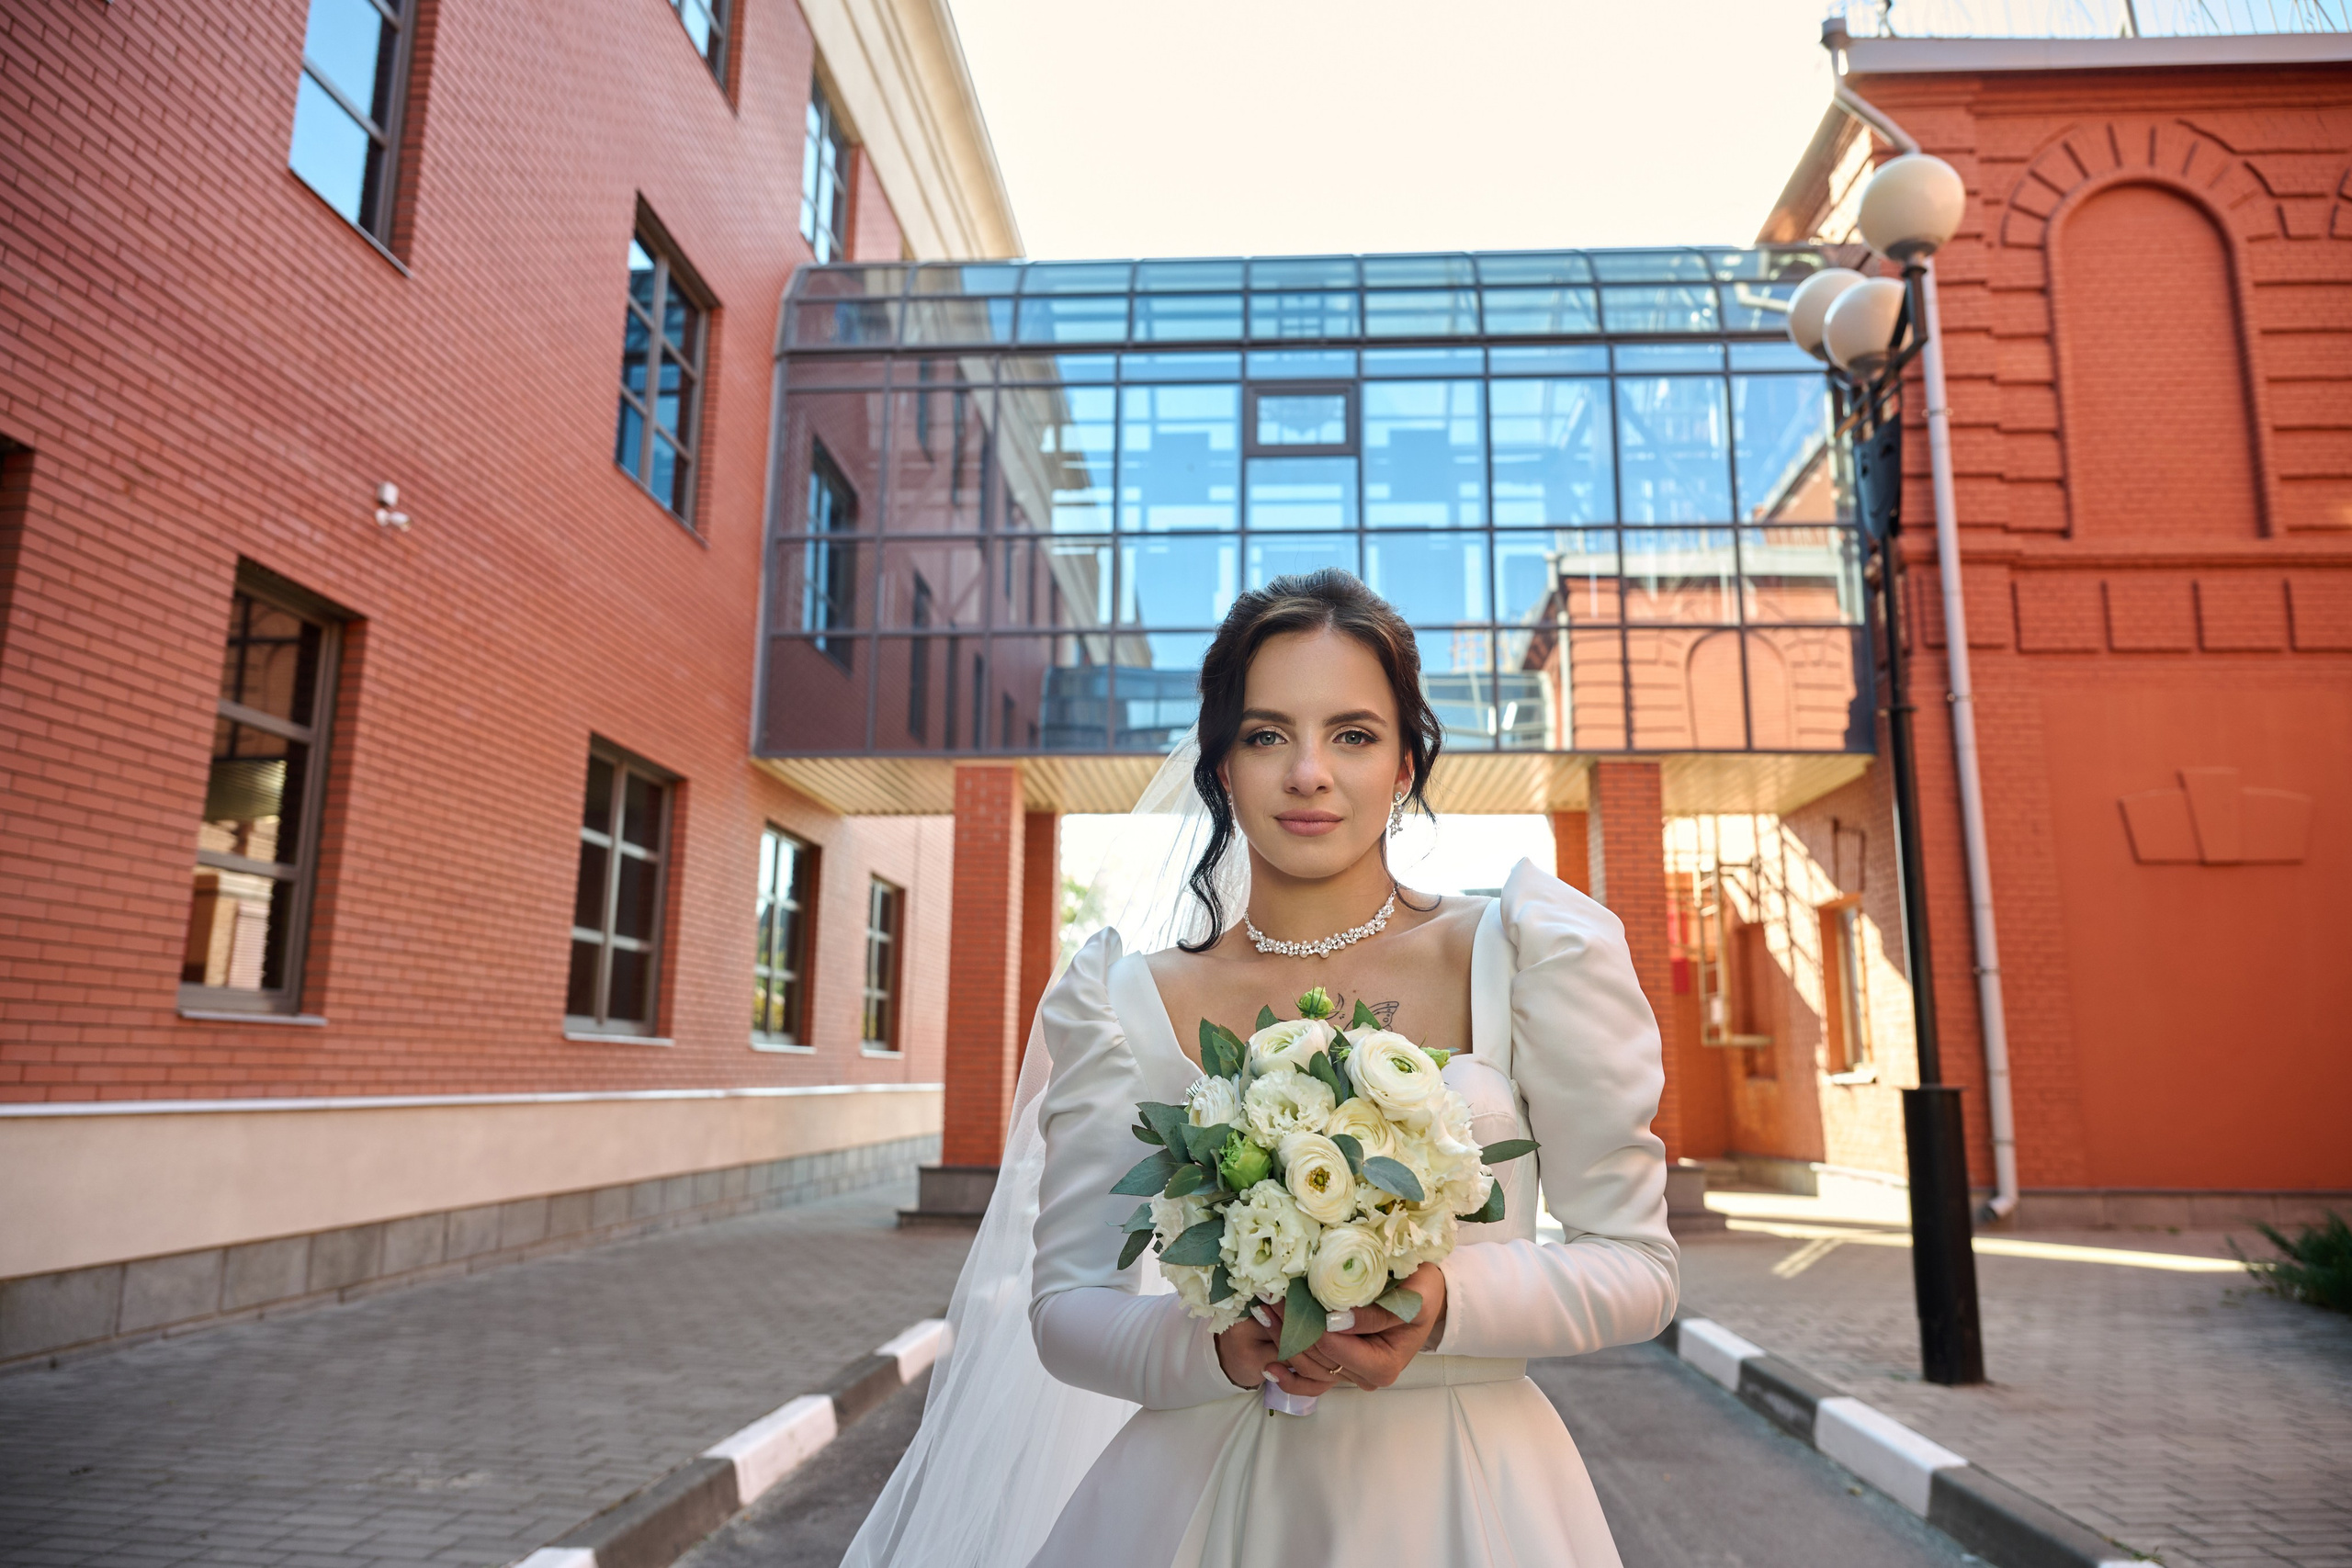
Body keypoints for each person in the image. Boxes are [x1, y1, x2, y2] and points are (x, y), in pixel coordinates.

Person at [843, 570, 1676, 1568]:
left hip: (1466, 1494)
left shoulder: (1527, 952)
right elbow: (1063, 1310)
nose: (1309, 773)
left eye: (1353, 735)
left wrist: (1445, 1303)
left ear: (1405, 765)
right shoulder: (1125, 1003)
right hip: (1202, 1501)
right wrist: (1213, 1350)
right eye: (1266, 734)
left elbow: (1639, 1269)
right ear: (1223, 767)